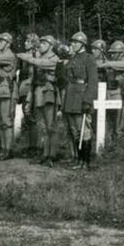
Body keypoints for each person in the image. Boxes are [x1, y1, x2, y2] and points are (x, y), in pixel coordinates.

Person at [18, 35, 61, 164]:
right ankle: (45, 153)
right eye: (40, 43)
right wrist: (29, 99)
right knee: (41, 126)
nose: (41, 45)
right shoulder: (38, 58)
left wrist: (26, 56)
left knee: (50, 126)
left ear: (51, 46)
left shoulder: (54, 59)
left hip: (49, 93)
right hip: (38, 92)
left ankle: (51, 154)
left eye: (44, 43)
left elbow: (40, 63)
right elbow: (33, 81)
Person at [60, 32, 99, 168]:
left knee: (84, 130)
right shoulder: (73, 58)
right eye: (72, 42)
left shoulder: (89, 59)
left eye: (75, 42)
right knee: (74, 131)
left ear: (82, 44)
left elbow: (93, 82)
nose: (73, 45)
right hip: (70, 96)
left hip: (81, 96)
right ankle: (77, 159)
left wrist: (88, 101)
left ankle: (85, 162)